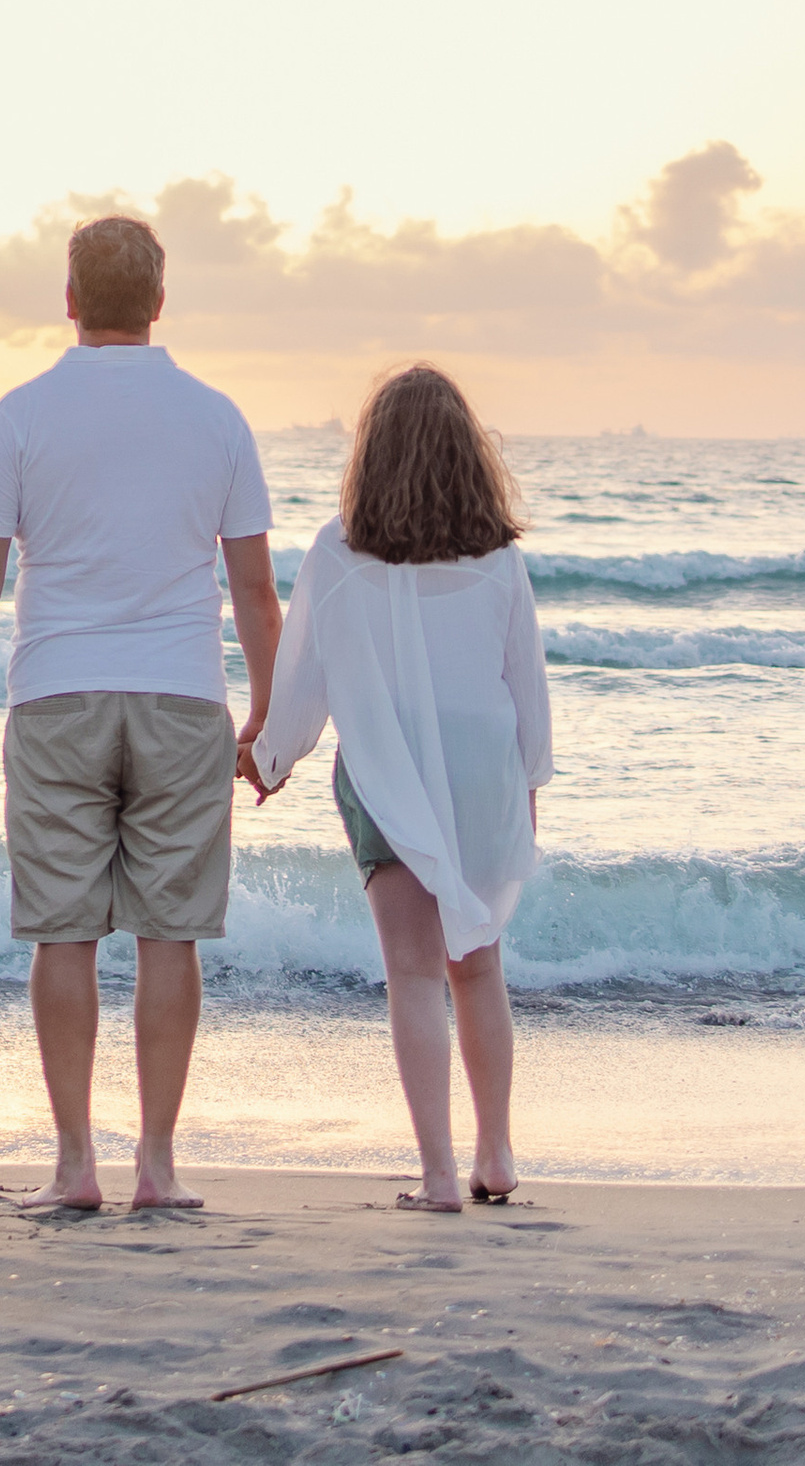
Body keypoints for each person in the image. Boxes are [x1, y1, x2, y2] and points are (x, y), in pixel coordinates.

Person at [0, 214, 282, 1212]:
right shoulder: (217, 418)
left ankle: (75, 1163)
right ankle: (157, 1166)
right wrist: (268, 713)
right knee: (170, 935)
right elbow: (256, 591)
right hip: (181, 696)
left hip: (56, 695)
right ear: (160, 301)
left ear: (70, 299)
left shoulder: (21, 414)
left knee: (64, 931)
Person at [251, 364, 553, 1212]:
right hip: (484, 771)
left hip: (386, 771)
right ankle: (496, 1154)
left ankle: (440, 1176)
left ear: (370, 455)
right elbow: (527, 686)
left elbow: (303, 675)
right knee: (478, 966)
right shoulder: (499, 560)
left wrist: (272, 759)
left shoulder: (338, 551)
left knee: (414, 976)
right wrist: (529, 789)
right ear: (468, 454)